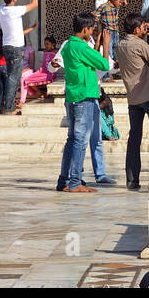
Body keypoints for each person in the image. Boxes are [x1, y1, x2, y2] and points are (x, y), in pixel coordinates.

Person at [57, 12, 110, 192]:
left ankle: (63, 181)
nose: (93, 31)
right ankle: (75, 182)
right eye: (92, 28)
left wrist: (95, 45)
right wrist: (106, 45)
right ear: (85, 29)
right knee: (80, 140)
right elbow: (104, 64)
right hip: (84, 97)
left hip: (73, 96)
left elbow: (89, 61)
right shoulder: (80, 47)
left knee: (72, 139)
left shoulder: (68, 46)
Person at [118, 13, 149, 190]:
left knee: (134, 138)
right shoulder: (139, 44)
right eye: (142, 27)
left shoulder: (121, 44)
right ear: (136, 29)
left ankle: (132, 179)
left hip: (133, 98)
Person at [0, 0, 38, 116]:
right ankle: (9, 108)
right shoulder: (15, 10)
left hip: (7, 47)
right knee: (13, 78)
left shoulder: (2, 9)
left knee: (12, 77)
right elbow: (35, 4)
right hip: (16, 48)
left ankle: (10, 106)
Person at [96, 0, 128, 73]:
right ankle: (106, 74)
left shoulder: (116, 7)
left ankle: (115, 72)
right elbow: (95, 16)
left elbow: (124, 3)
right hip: (107, 32)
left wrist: (124, 1)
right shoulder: (103, 7)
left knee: (115, 53)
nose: (120, 4)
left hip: (115, 33)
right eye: (119, 2)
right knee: (108, 52)